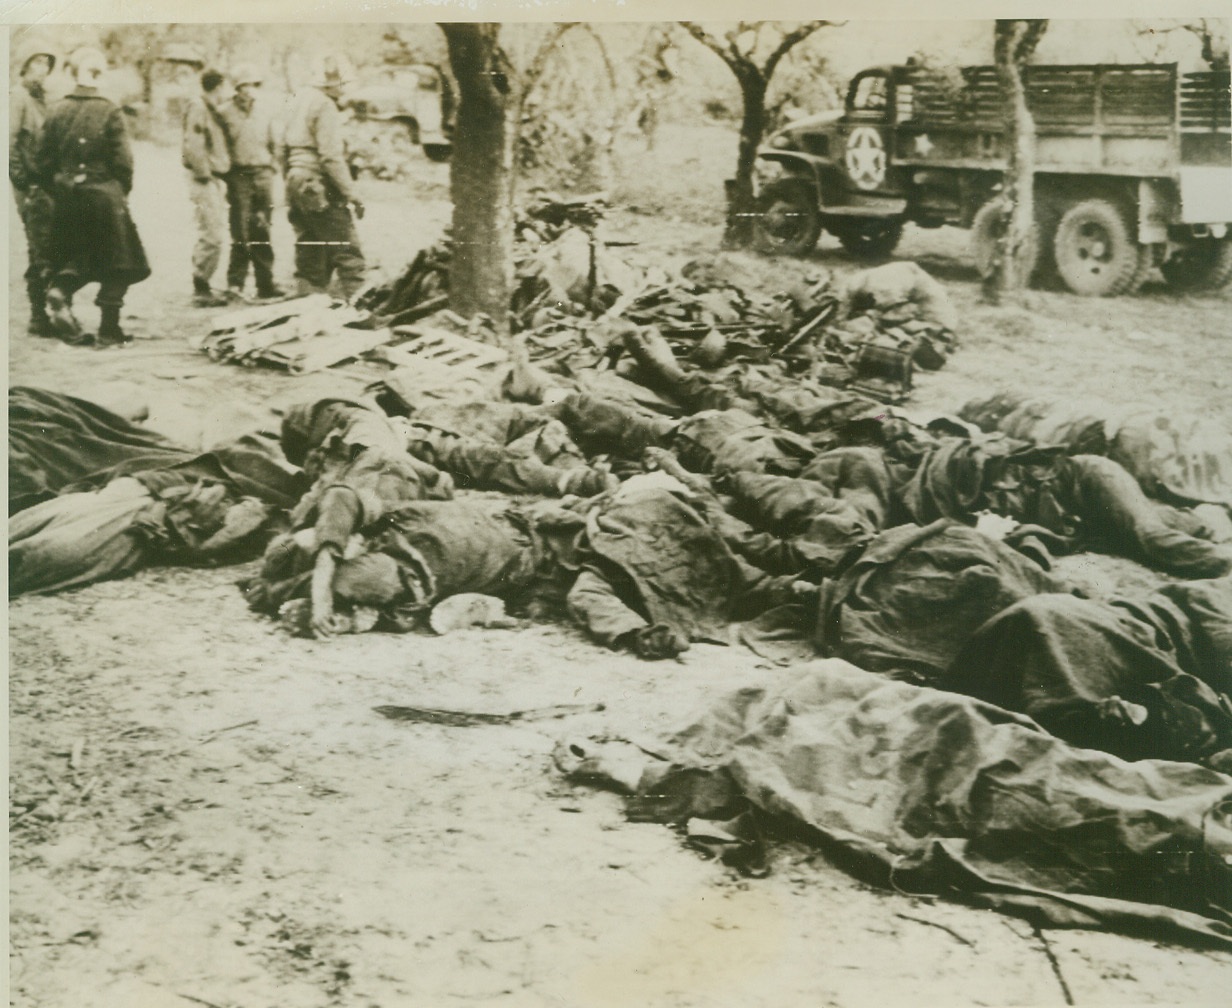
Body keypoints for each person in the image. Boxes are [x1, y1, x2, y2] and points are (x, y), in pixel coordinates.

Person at [35, 46, 151, 348]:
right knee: (122, 261)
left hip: (66, 197)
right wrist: (117, 193)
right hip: (104, 196)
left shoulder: (56, 109)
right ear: (99, 74)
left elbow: (43, 162)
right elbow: (124, 163)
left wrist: (62, 187)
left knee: (79, 256)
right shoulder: (110, 110)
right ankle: (109, 330)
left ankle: (60, 290)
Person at [278, 54, 367, 301]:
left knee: (310, 250)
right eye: (343, 83)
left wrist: (291, 179)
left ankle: (308, 306)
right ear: (331, 83)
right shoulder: (325, 104)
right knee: (347, 250)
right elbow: (330, 156)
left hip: (297, 181)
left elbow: (281, 147)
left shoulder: (297, 99)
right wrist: (352, 194)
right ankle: (362, 312)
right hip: (317, 183)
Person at [218, 63, 283, 301]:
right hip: (239, 176)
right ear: (237, 88)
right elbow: (219, 146)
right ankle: (235, 285)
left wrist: (273, 166)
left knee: (263, 228)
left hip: (263, 174)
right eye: (246, 85)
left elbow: (275, 142)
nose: (251, 90)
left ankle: (265, 285)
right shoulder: (224, 112)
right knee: (241, 231)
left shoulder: (266, 110)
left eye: (255, 85)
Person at [9, 45, 57, 337]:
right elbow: (10, 142)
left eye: (46, 63)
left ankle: (45, 312)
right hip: (29, 184)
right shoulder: (19, 97)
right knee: (38, 244)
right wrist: (23, 181)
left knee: (46, 243)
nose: (42, 68)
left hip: (44, 182)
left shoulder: (42, 99)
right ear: (25, 66)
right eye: (37, 62)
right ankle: (38, 316)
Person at [183, 69, 232, 307]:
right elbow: (193, 143)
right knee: (212, 233)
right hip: (204, 178)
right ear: (219, 86)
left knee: (213, 230)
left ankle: (203, 283)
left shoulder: (209, 108)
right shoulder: (199, 107)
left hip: (212, 177)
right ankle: (200, 287)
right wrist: (204, 174)